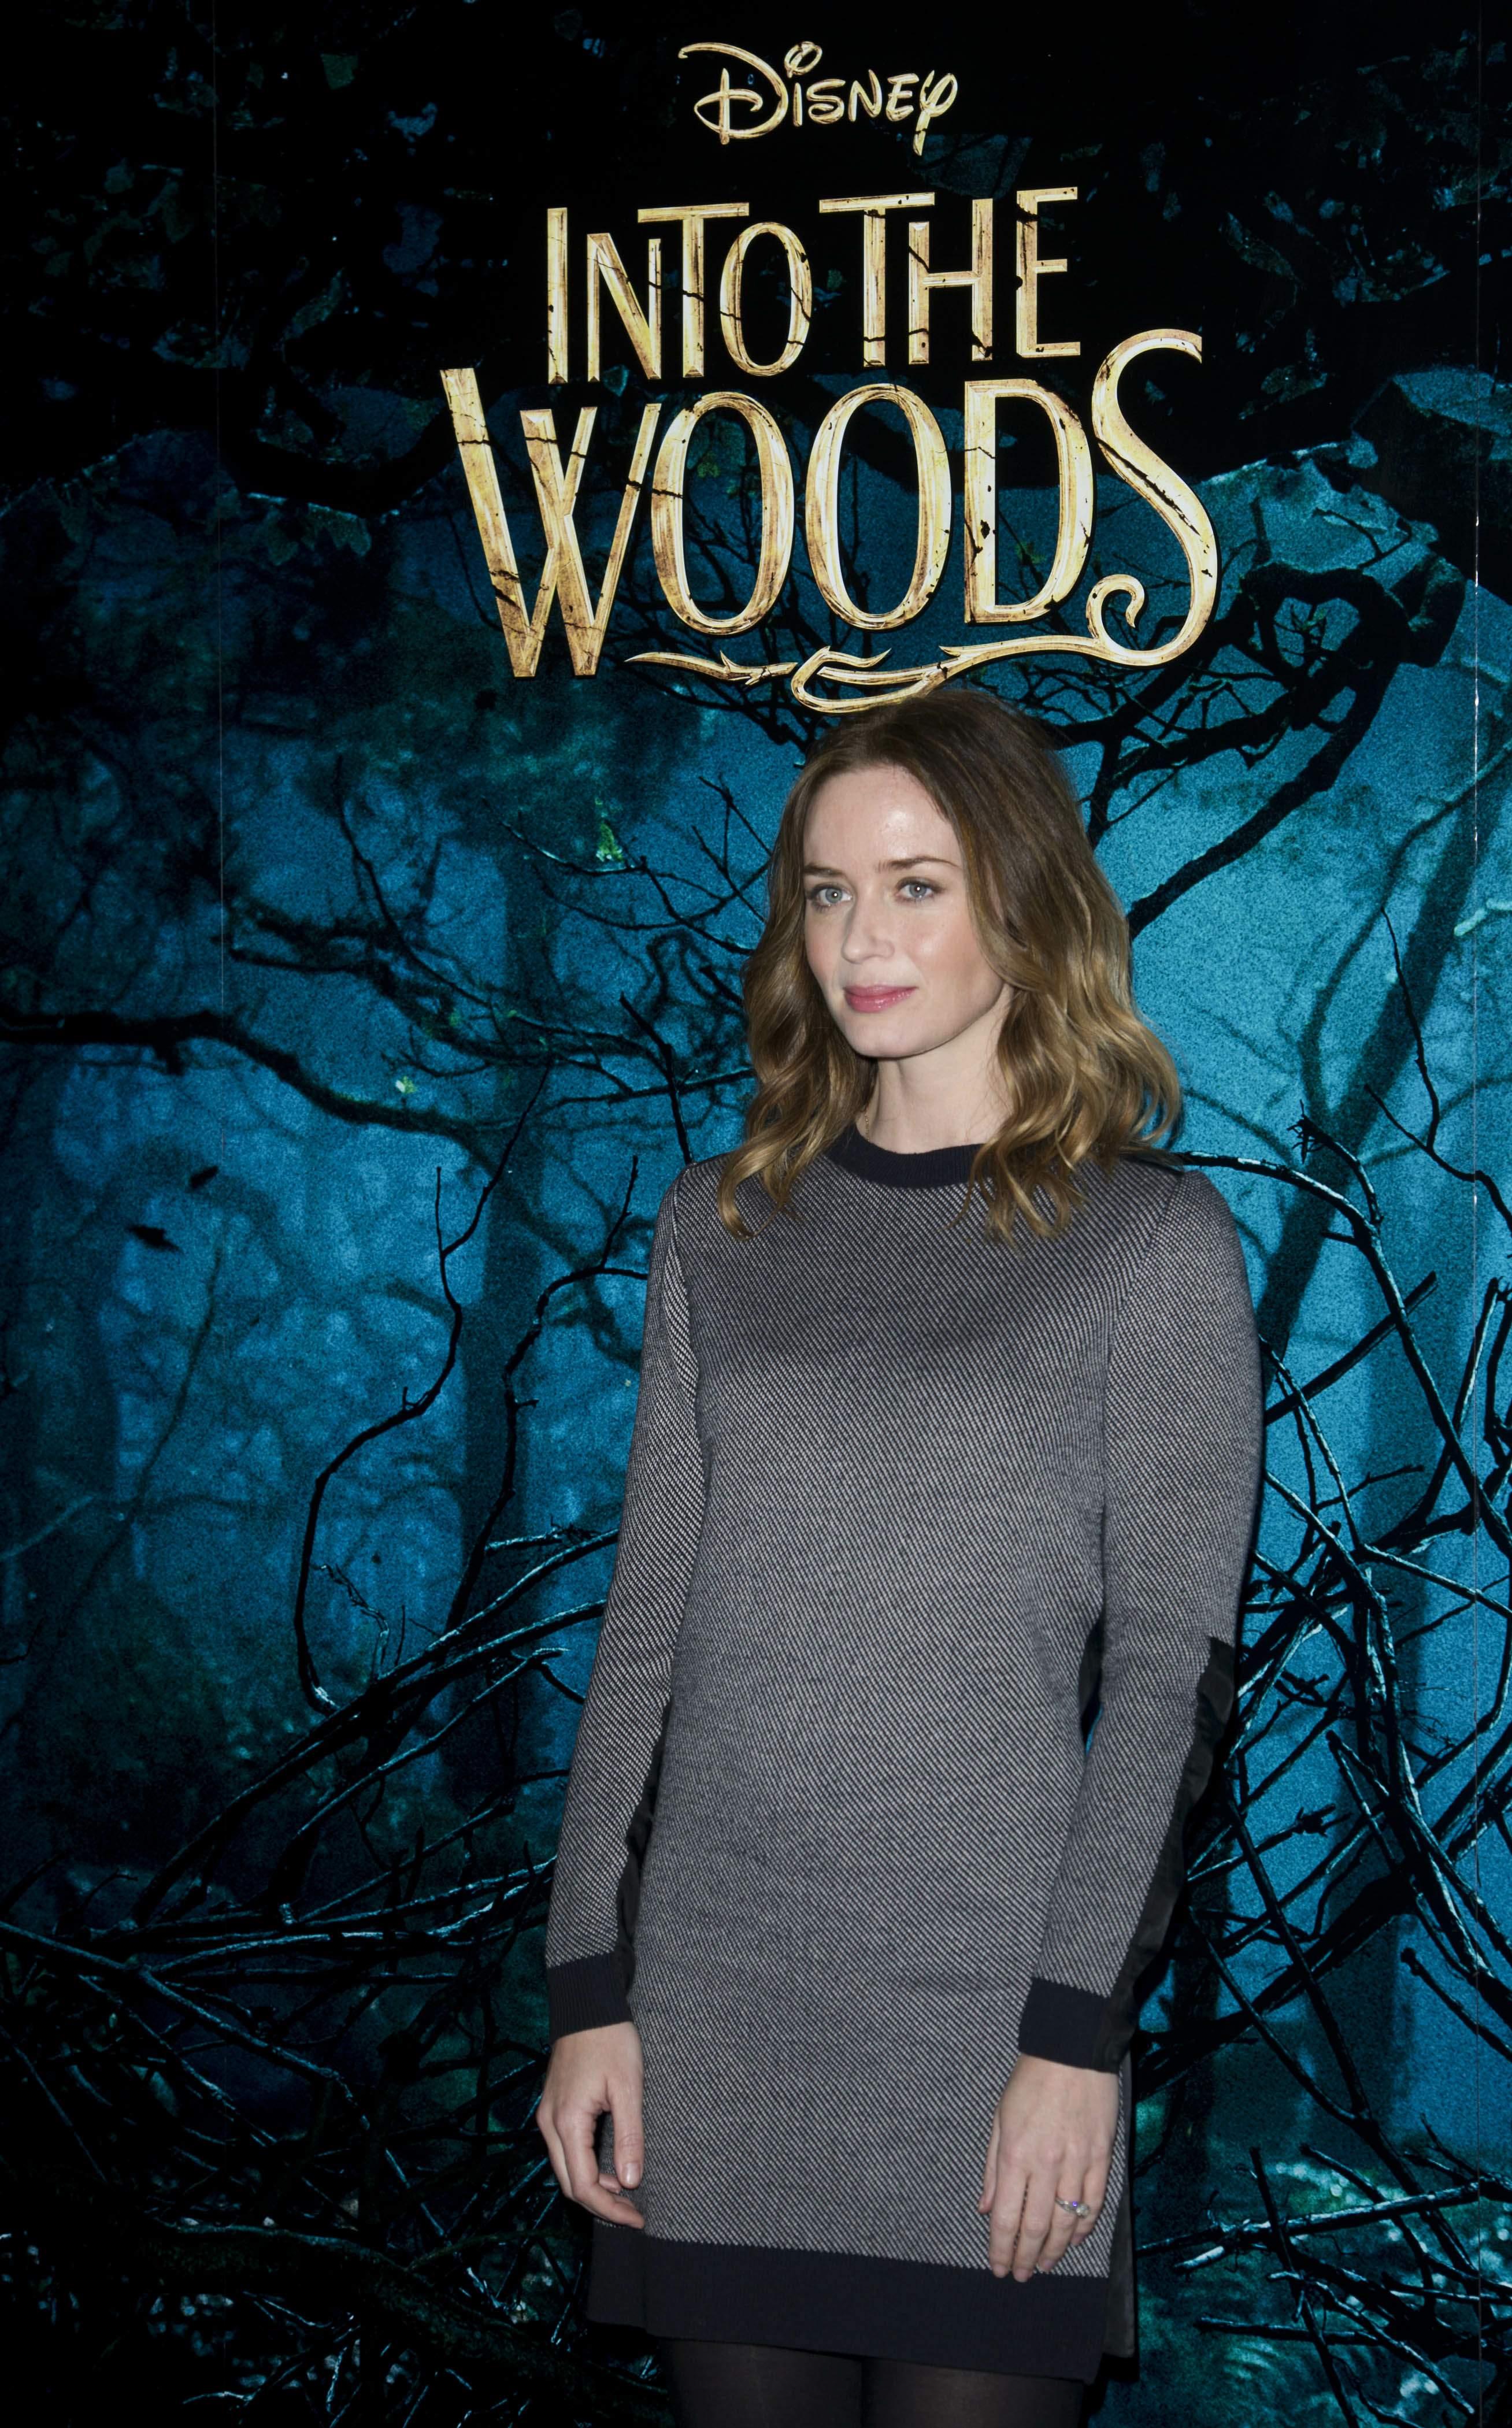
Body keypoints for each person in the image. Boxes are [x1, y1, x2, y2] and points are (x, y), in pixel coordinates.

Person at [535, 691, 1263, 2428]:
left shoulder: (1152, 1242)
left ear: (1024, 900)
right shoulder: (720, 1224)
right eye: (828, 891)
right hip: (717, 2021)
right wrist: (587, 1990)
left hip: (989, 2035)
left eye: (917, 886)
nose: (862, 939)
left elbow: (1169, 1684)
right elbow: (646, 1633)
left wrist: (1075, 2035)